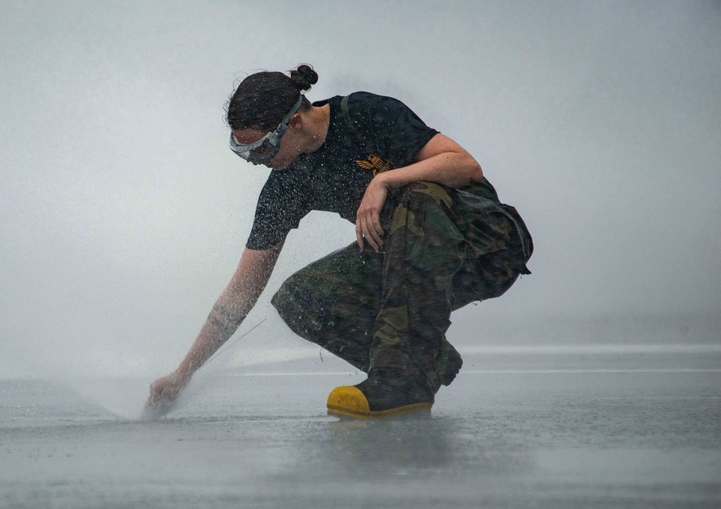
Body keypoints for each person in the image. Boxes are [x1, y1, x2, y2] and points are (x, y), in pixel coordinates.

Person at [146, 65, 532, 419]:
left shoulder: (364, 114)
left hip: (485, 244)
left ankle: (398, 376)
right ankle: (418, 367)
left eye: (261, 149)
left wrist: (383, 181)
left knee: (418, 200)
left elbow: (466, 166)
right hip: (409, 262)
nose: (256, 162)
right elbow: (241, 292)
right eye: (243, 153)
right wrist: (183, 374)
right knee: (301, 297)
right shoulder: (287, 183)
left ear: (293, 122)